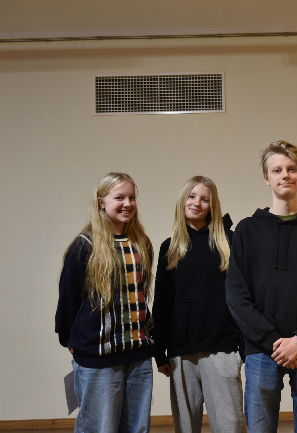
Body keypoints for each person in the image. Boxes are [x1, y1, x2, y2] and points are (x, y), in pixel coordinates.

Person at [225, 140, 297, 433]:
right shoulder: (246, 230)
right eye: (277, 170)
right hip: (262, 351)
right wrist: (274, 342)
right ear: (266, 178)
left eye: (292, 169)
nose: (285, 175)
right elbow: (237, 297)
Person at [55, 172, 154, 433]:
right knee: (99, 428)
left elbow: (140, 295)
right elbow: (68, 300)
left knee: (137, 428)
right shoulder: (84, 246)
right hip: (98, 358)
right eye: (119, 197)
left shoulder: (141, 244)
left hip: (138, 357)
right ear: (101, 202)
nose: (127, 204)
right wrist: (69, 340)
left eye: (132, 197)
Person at [152, 176, 244, 433]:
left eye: (205, 199)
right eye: (192, 196)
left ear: (212, 205)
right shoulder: (170, 247)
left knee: (230, 427)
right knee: (185, 428)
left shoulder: (228, 242)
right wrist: (159, 352)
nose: (197, 203)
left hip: (222, 348)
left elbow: (243, 297)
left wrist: (243, 347)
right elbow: (162, 303)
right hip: (181, 352)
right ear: (182, 201)